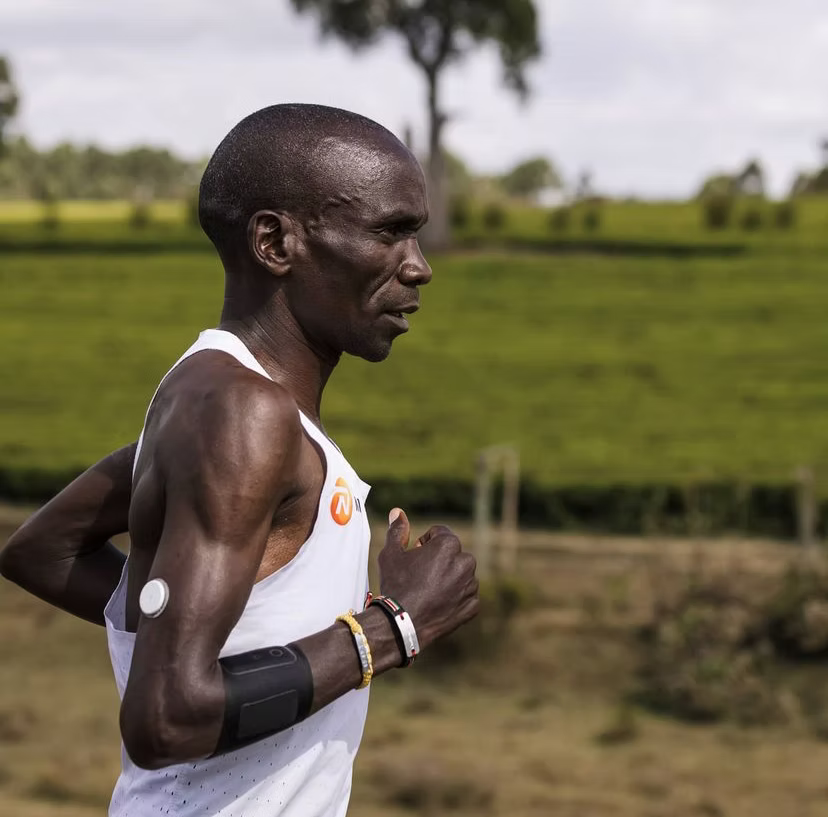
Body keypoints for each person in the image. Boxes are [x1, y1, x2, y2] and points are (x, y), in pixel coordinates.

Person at [0, 104, 480, 817]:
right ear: (274, 242)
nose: (420, 266)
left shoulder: (220, 409)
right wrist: (394, 626)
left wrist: (172, 625)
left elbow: (44, 550)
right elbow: (165, 718)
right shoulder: (241, 414)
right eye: (389, 232)